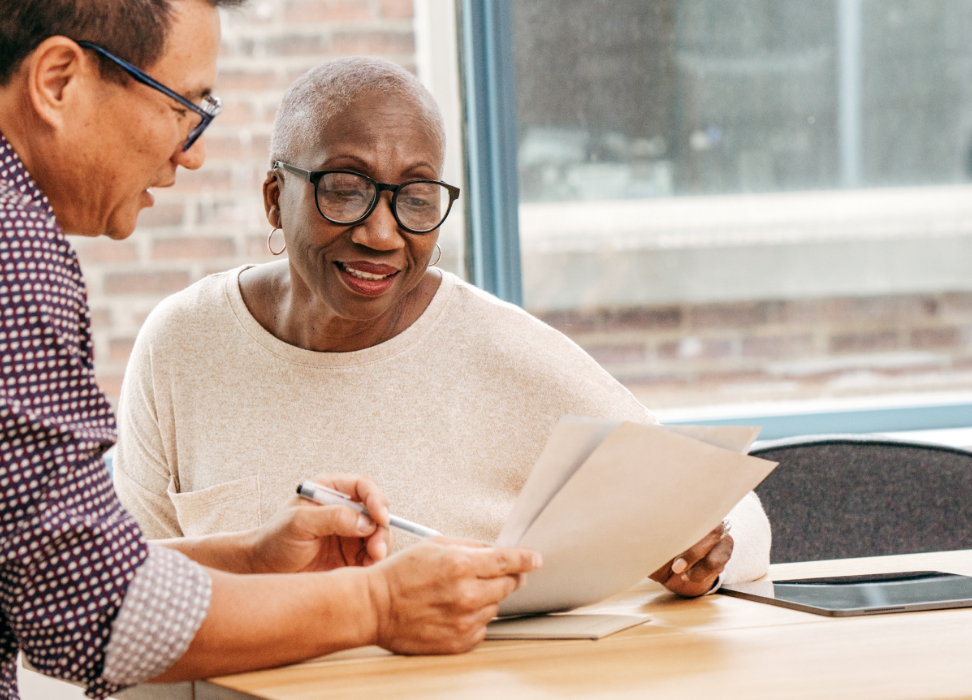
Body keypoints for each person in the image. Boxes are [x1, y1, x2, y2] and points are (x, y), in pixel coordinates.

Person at [0, 3, 541, 699]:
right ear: (57, 80)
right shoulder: (16, 255)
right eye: (180, 106)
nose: (190, 150)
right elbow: (90, 609)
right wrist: (376, 605)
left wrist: (253, 560)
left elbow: (33, 571)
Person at [112, 56, 772, 600]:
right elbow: (122, 601)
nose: (381, 232)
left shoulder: (505, 351)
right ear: (274, 200)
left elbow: (733, 512)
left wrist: (697, 553)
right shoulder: (181, 345)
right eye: (345, 188)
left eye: (417, 197)